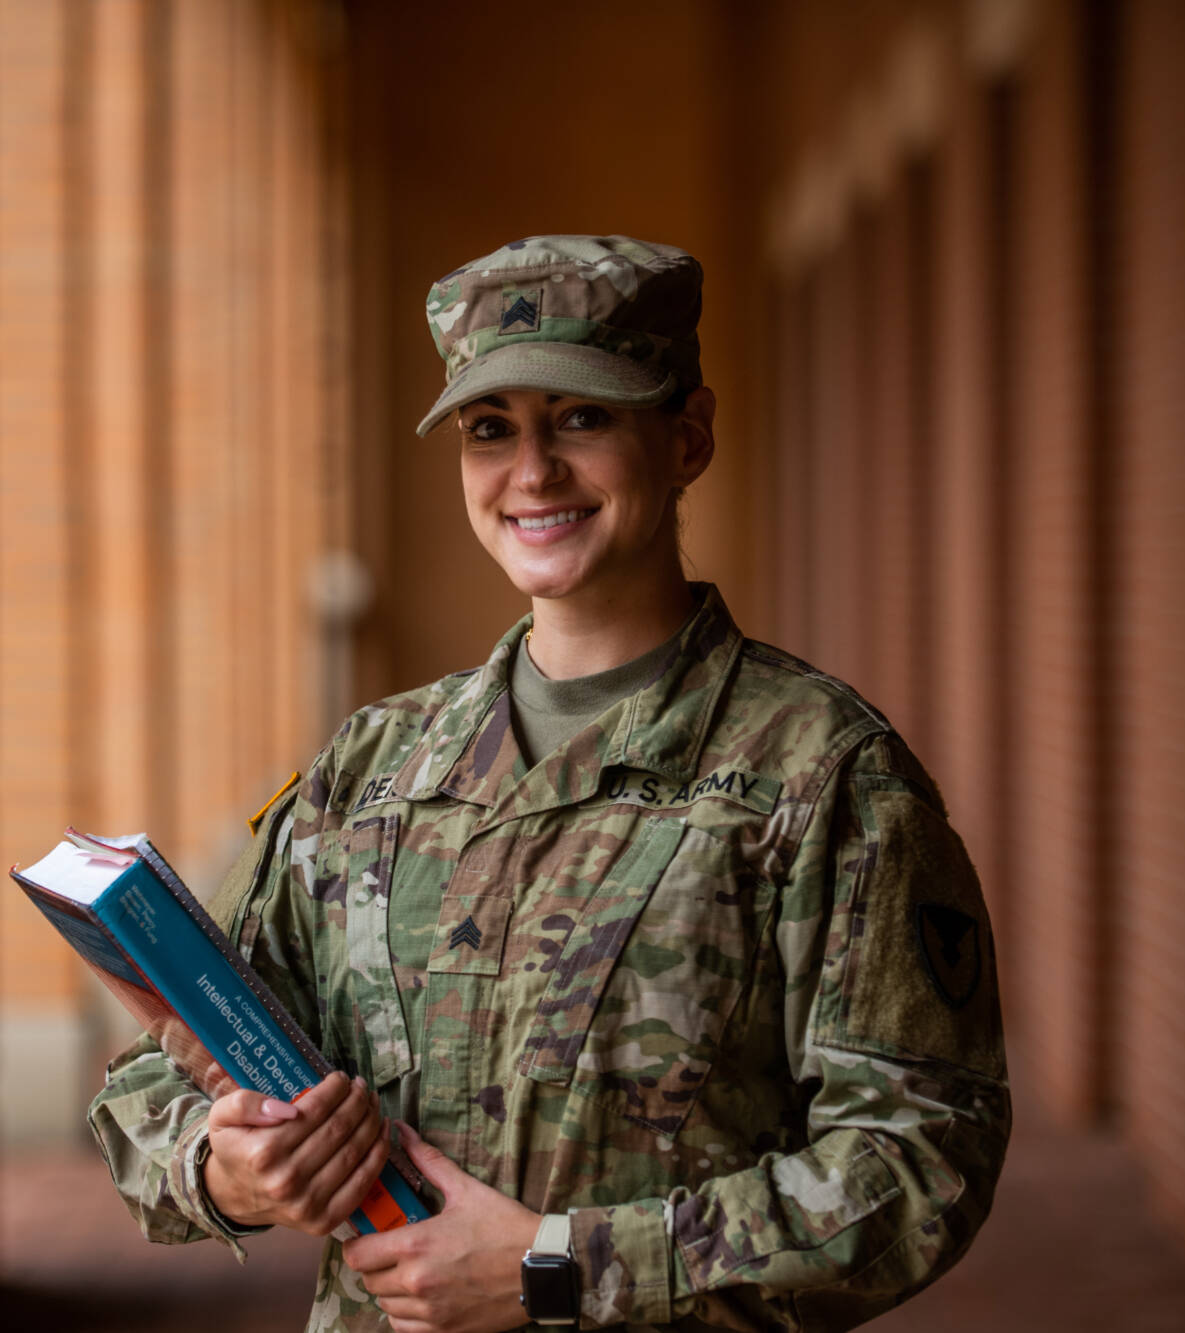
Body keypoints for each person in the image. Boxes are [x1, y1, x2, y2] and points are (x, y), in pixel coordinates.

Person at [89, 234, 1011, 1333]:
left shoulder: (821, 777)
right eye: (492, 430)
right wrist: (232, 1171)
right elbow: (160, 1076)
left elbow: (918, 1162)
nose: (532, 472)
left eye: (581, 417)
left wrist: (558, 1266)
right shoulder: (372, 770)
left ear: (687, 436)